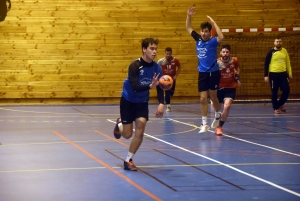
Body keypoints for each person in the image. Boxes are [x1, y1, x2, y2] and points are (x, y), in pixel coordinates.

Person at [113, 38, 165, 171]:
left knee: (140, 129)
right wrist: (150, 85)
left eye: (155, 49)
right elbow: (135, 86)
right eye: (151, 49)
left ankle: (128, 160)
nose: (154, 52)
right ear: (144, 49)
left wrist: (161, 103)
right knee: (127, 134)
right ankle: (119, 124)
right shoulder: (135, 65)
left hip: (142, 102)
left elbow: (159, 86)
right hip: (128, 100)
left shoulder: (157, 67)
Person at [186, 6, 225, 133]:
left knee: (213, 97)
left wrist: (214, 23)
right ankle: (204, 124)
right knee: (203, 98)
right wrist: (189, 16)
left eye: (206, 31)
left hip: (213, 73)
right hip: (202, 73)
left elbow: (222, 37)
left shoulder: (213, 41)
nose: (204, 33)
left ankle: (218, 113)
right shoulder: (198, 39)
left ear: (210, 32)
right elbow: (188, 28)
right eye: (202, 31)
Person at [214, 44, 241, 135]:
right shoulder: (217, 62)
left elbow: (237, 68)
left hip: (230, 87)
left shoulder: (234, 60)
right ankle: (219, 115)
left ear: (229, 53)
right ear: (221, 52)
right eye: (224, 52)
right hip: (219, 87)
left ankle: (219, 127)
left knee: (227, 106)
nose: (225, 54)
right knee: (216, 107)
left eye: (227, 52)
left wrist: (237, 78)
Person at [264, 38, 292, 114]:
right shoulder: (271, 52)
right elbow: (266, 64)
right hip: (273, 74)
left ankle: (280, 104)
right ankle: (275, 108)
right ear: (274, 43)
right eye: (277, 41)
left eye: (280, 41)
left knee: (286, 90)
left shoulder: (284, 51)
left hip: (283, 74)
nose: (279, 43)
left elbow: (287, 62)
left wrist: (289, 72)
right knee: (274, 92)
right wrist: (266, 75)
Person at [157, 47, 181, 112]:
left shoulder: (175, 60)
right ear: (165, 53)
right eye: (167, 53)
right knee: (167, 92)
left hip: (172, 79)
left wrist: (176, 75)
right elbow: (156, 69)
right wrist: (160, 78)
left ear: (171, 53)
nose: (168, 55)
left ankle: (167, 98)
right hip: (165, 80)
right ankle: (168, 105)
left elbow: (179, 67)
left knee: (171, 93)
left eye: (169, 53)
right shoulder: (161, 61)